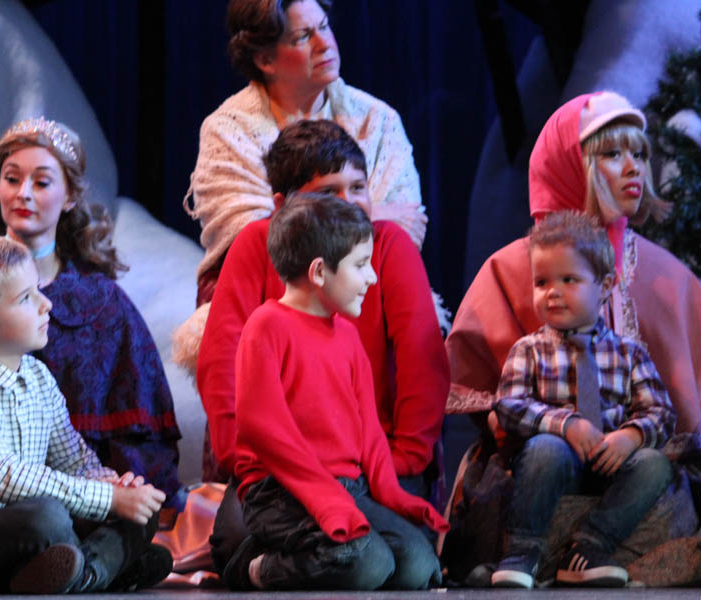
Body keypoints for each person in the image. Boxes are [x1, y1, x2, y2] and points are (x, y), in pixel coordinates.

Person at [446, 91, 701, 462]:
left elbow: (674, 408)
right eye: (612, 154)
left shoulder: (670, 278)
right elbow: (485, 397)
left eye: (638, 154)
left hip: (637, 469)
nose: (634, 168)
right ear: (569, 164)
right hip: (534, 470)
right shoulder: (509, 270)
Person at [0, 117, 185, 511]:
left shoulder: (104, 305)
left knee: (133, 530)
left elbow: (132, 441)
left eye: (41, 182)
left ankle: (89, 561)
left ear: (70, 195)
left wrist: (120, 489)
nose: (24, 193)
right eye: (11, 179)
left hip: (86, 498)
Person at [197, 119, 448, 487]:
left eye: (358, 187)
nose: (350, 203)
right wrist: (244, 459)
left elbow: (421, 357)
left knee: (395, 541)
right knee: (238, 538)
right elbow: (222, 358)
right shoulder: (255, 244)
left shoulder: (388, 245)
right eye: (330, 193)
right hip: (275, 465)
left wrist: (405, 458)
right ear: (283, 205)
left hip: (372, 461)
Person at [218, 194, 447, 590]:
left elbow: (369, 431)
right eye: (361, 265)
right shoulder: (267, 326)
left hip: (346, 488)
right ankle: (254, 567)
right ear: (319, 272)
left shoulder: (346, 334)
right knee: (367, 563)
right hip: (280, 490)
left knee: (417, 566)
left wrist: (392, 494)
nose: (372, 278)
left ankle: (310, 550)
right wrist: (324, 498)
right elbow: (263, 428)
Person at [0, 236, 171, 594]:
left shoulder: (37, 377)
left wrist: (113, 485)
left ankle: (76, 573)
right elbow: (4, 477)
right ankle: (101, 569)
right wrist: (107, 499)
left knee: (142, 513)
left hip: (35, 531)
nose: (46, 304)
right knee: (47, 517)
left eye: (38, 290)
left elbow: (75, 461)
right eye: (26, 298)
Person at [183, 0, 426, 306]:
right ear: (265, 60)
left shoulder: (378, 120)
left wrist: (305, 221)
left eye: (324, 27)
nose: (325, 44)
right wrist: (370, 214)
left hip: (371, 291)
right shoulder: (228, 130)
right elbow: (253, 244)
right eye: (302, 37)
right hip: (263, 299)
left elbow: (405, 233)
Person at [489, 211, 675, 589]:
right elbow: (509, 405)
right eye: (541, 282)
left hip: (609, 465)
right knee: (546, 448)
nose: (552, 291)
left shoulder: (628, 353)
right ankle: (523, 551)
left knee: (654, 465)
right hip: (553, 467)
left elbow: (661, 413)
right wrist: (566, 424)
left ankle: (588, 547)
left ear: (605, 285)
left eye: (568, 280)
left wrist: (631, 437)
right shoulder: (530, 350)